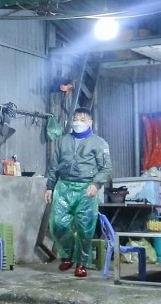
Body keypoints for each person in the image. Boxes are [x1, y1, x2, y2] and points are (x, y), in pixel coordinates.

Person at [44, 107, 112, 278]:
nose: (78, 122)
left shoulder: (99, 143)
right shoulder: (62, 141)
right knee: (57, 224)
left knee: (85, 229)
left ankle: (81, 263)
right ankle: (68, 255)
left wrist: (96, 184)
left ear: (90, 122)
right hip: (64, 187)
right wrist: (50, 186)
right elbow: (53, 166)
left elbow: (106, 168)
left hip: (86, 189)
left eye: (82, 119)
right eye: (76, 118)